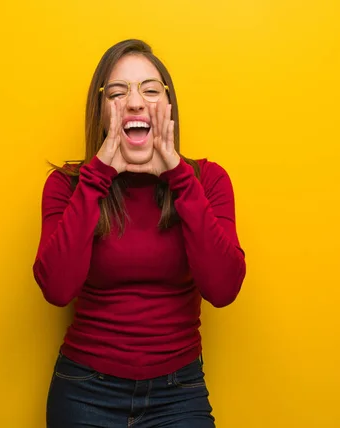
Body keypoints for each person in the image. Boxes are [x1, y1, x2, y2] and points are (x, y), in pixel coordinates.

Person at [33, 39, 246, 427]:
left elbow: (224, 288)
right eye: (117, 92)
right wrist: (98, 177)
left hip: (178, 393)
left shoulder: (207, 181)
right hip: (84, 391)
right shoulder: (67, 186)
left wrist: (179, 177)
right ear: (100, 113)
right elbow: (56, 289)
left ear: (168, 109)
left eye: (149, 89)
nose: (134, 102)